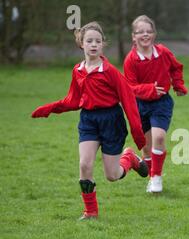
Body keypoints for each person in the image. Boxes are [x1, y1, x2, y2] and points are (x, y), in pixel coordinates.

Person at [31, 22, 147, 220]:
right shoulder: (78, 71)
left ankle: (129, 159)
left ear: (102, 45)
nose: (94, 45)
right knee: (85, 165)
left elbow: (129, 102)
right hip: (88, 120)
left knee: (112, 175)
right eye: (89, 41)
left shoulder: (110, 72)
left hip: (111, 120)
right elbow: (73, 100)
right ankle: (90, 212)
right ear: (81, 44)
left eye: (98, 41)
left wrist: (137, 133)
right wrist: (49, 109)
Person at [123, 15, 188, 193]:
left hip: (161, 103)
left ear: (154, 34)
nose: (145, 35)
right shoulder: (130, 60)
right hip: (140, 105)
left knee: (159, 138)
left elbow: (176, 67)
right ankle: (143, 167)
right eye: (140, 32)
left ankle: (156, 177)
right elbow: (130, 87)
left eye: (149, 31)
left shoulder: (163, 52)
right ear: (133, 36)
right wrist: (150, 89)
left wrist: (178, 85)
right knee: (146, 147)